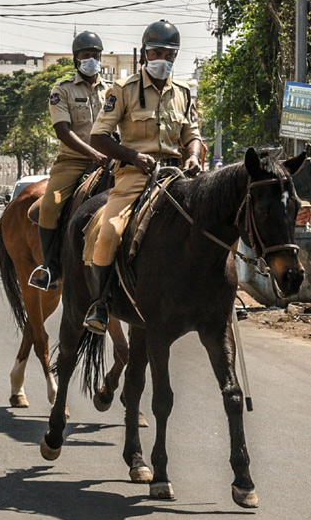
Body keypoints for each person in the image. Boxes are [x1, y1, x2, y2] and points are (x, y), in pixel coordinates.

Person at [85, 19, 203, 333]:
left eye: (170, 54)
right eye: (157, 53)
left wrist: (192, 155)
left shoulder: (183, 93)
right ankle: (100, 303)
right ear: (144, 54)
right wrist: (134, 156)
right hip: (135, 176)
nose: (163, 60)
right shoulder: (122, 90)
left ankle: (215, 296)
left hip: (177, 175)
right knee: (109, 231)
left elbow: (192, 133)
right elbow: (99, 137)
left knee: (212, 220)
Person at [28, 31, 112, 291]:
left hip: (111, 159)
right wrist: (92, 153)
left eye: (95, 55)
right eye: (85, 55)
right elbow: (63, 129)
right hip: (73, 161)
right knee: (51, 205)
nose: (91, 60)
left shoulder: (113, 90)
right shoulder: (62, 89)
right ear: (76, 60)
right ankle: (50, 267)